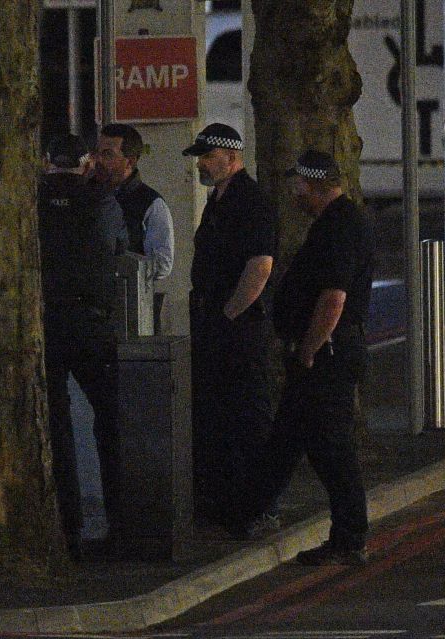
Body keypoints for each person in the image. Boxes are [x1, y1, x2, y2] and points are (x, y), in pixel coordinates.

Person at [239, 150, 374, 566]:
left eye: (298, 184)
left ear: (314, 185)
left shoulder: (338, 229)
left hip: (325, 355)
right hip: (319, 352)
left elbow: (333, 298)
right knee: (288, 437)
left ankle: (350, 538)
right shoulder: (334, 224)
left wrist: (310, 349)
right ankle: (247, 512)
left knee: (330, 447)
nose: (294, 192)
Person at [36, 134, 128, 558]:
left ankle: (67, 528)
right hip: (92, 323)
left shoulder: (30, 202)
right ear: (86, 163)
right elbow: (121, 251)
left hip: (45, 324)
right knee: (110, 421)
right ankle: (121, 521)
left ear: (46, 162)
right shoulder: (103, 201)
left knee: (55, 426)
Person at [182, 123, 278, 528]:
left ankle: (256, 507)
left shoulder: (251, 202)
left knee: (246, 417)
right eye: (200, 156)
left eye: (208, 156)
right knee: (218, 416)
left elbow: (260, 266)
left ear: (232, 157)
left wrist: (228, 315)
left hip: (238, 330)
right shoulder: (218, 201)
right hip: (216, 325)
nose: (202, 163)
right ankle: (226, 504)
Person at [93, 123, 175, 283]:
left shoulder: (150, 203)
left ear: (129, 162)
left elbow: (162, 263)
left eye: (108, 155)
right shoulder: (89, 193)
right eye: (97, 153)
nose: (99, 161)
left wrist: (116, 257)